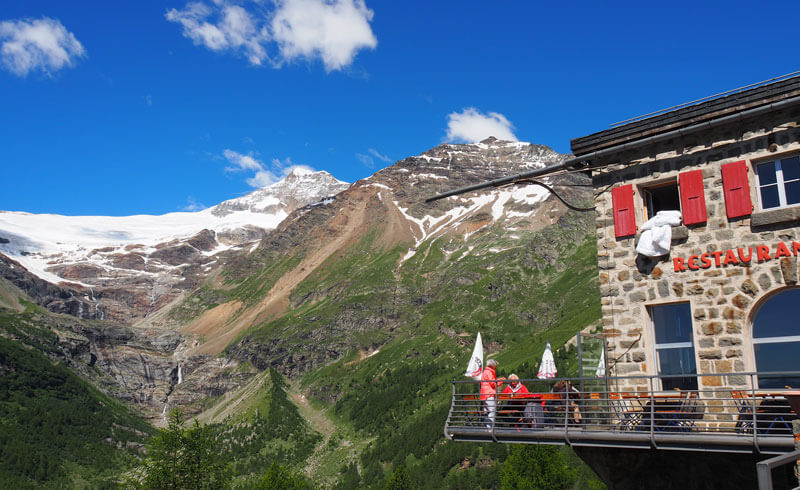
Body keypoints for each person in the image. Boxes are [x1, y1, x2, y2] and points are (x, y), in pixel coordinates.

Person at [480, 359, 505, 427]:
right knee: (492, 410)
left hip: (484, 394)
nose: (496, 367)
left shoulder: (486, 371)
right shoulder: (490, 372)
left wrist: (499, 379)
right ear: (493, 366)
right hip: (489, 394)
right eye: (496, 366)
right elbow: (493, 384)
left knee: (486, 412)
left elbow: (491, 381)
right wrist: (501, 381)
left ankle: (487, 428)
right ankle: (490, 428)